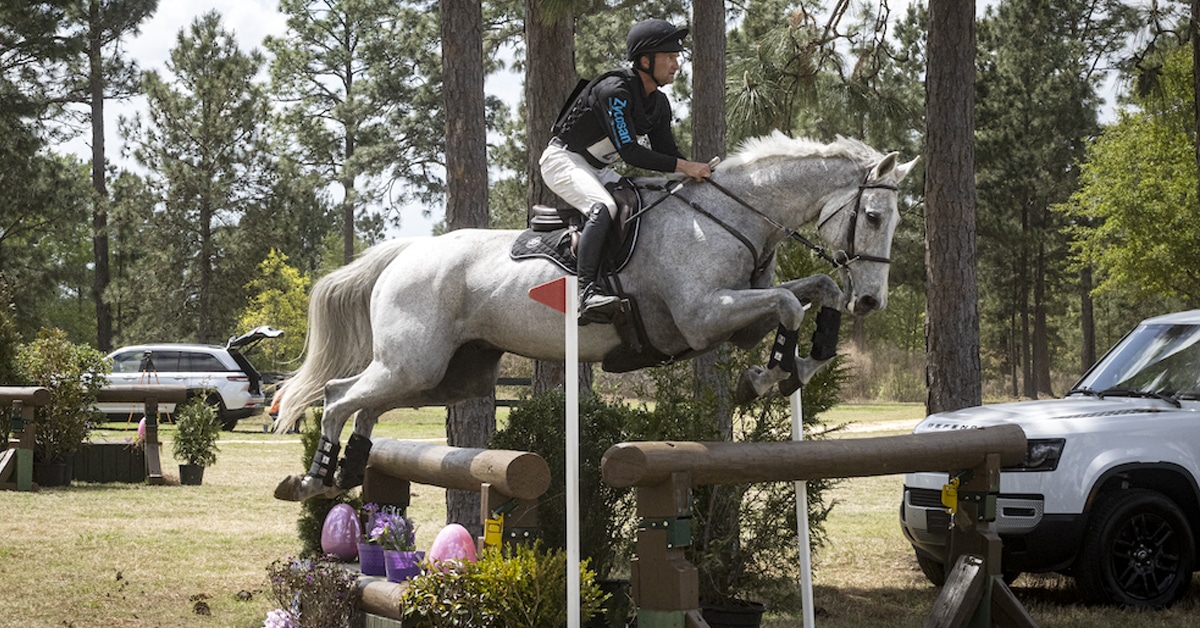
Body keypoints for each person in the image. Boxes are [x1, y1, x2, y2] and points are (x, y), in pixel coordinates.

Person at [540, 18, 712, 324]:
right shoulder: (614, 90)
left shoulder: (658, 103)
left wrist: (701, 175)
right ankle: (586, 292)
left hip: (598, 169)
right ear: (645, 61)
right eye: (669, 57)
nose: (677, 64)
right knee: (603, 206)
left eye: (677, 57)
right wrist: (686, 167)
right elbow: (630, 152)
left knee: (647, 199)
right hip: (563, 160)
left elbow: (668, 154)